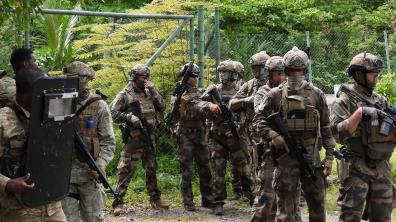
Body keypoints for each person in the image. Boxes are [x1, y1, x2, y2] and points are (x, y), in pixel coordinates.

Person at [253, 46, 335, 222]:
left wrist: (328, 157)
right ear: (286, 70)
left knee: (318, 208)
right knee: (285, 211)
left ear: (305, 70)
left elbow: (327, 128)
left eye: (299, 70)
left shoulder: (316, 94)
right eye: (292, 71)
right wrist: (273, 135)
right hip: (285, 158)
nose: (296, 75)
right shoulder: (274, 94)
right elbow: (258, 121)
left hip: (311, 158)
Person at [330, 52, 395, 222]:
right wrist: (359, 113)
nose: (377, 77)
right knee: (350, 216)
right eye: (373, 73)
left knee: (383, 216)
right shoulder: (345, 100)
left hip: (381, 166)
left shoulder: (380, 100)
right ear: (359, 75)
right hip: (356, 166)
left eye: (378, 73)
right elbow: (334, 134)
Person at [0, 68, 67, 221]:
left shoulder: (52, 113)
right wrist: (8, 183)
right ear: (26, 93)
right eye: (41, 92)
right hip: (17, 210)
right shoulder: (3, 121)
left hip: (52, 205)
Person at [60, 62, 115, 222]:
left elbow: (108, 141)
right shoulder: (59, 102)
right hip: (65, 176)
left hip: (89, 175)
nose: (77, 82)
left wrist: (101, 164)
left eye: (80, 79)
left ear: (88, 80)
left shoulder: (98, 105)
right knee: (67, 219)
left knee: (93, 218)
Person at [111, 64, 169, 216]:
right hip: (134, 140)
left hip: (150, 138)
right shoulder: (125, 94)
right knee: (126, 170)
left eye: (147, 77)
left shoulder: (150, 92)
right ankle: (118, 203)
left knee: (151, 168)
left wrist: (154, 90)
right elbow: (112, 114)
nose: (146, 80)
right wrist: (129, 117)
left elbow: (162, 106)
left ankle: (155, 199)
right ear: (135, 77)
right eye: (143, 77)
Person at [205, 59, 254, 216]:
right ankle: (218, 202)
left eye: (225, 72)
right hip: (219, 136)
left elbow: (250, 108)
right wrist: (209, 107)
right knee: (217, 169)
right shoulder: (214, 90)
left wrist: (241, 125)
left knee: (244, 168)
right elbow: (199, 104)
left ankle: (254, 199)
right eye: (220, 72)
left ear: (233, 74)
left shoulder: (242, 89)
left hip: (237, 135)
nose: (222, 75)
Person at [173, 63, 220, 211]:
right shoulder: (178, 94)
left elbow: (204, 108)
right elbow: (193, 106)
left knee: (205, 167)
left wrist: (213, 109)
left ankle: (208, 199)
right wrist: (207, 106)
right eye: (192, 76)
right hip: (184, 135)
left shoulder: (201, 92)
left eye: (196, 76)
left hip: (200, 134)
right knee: (186, 169)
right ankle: (188, 201)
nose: (195, 78)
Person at [251, 56, 287, 222]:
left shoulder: (290, 91)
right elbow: (259, 118)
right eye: (277, 74)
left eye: (283, 74)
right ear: (270, 74)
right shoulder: (263, 93)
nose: (281, 78)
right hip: (269, 149)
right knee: (266, 195)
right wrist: (273, 135)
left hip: (289, 151)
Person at [229, 51, 271, 191]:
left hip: (269, 130)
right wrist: (247, 100)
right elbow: (232, 103)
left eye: (257, 67)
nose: (254, 71)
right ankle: (254, 194)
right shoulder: (249, 85)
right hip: (249, 131)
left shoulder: (275, 84)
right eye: (253, 68)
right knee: (249, 163)